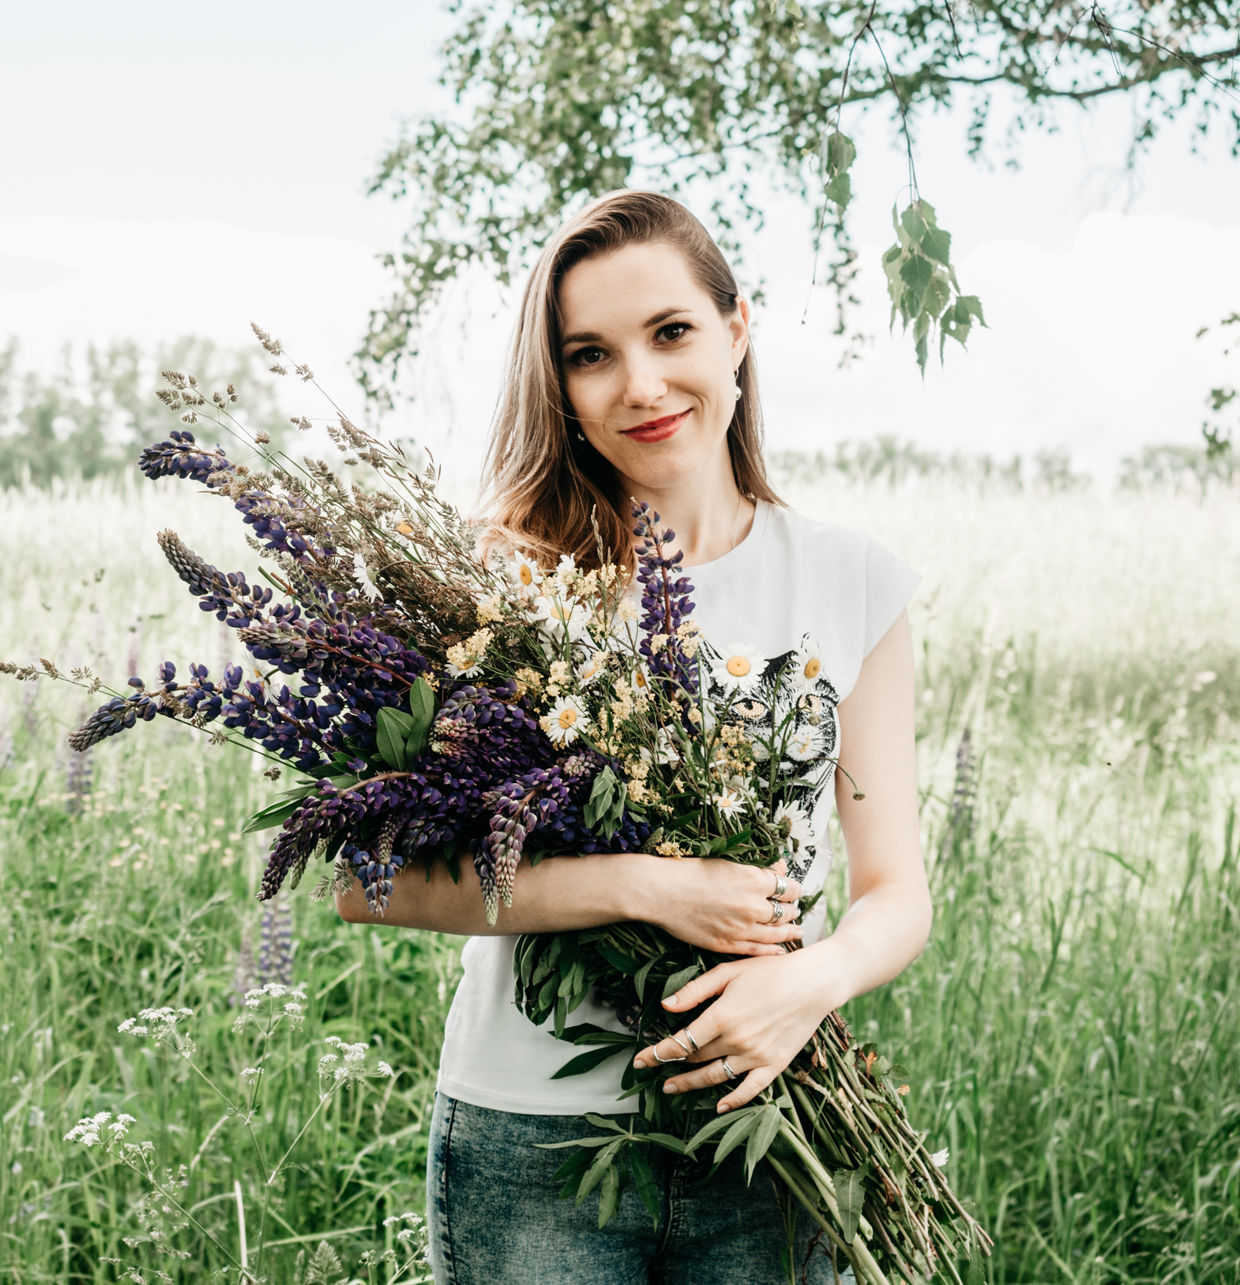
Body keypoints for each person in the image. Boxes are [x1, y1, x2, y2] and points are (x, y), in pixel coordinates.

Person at [336, 190, 931, 1285]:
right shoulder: (496, 582)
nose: (641, 384)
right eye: (591, 355)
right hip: (535, 1148)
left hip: (770, 1124)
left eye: (671, 332)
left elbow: (897, 890)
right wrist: (649, 887)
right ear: (559, 386)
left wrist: (812, 983)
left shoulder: (851, 579)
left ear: (736, 331)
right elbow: (370, 884)